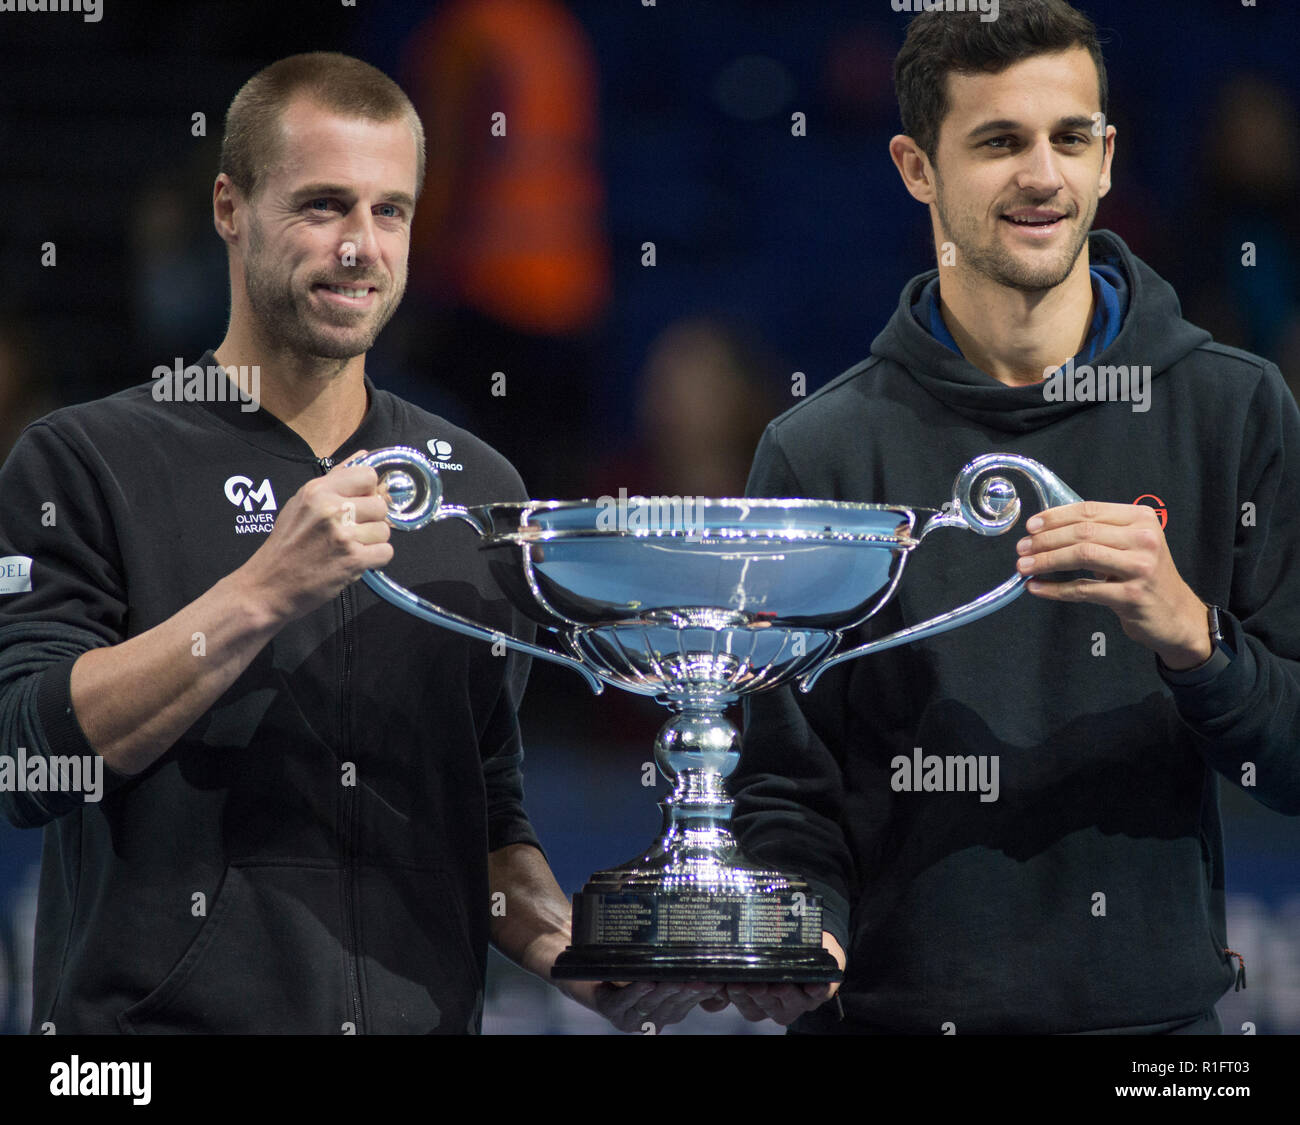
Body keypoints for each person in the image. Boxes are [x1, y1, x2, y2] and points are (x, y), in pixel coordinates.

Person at [0, 52, 710, 1034]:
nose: (361, 247)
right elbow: (29, 761)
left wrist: (569, 953)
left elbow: (486, 817)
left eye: (390, 211)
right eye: (324, 205)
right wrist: (262, 591)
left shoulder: (477, 486)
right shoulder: (84, 459)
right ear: (229, 208)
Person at [724, 0, 1300, 1034]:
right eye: (998, 142)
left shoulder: (1235, 408)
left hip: (1162, 1045)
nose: (1043, 175)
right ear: (915, 168)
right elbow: (781, 785)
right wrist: (799, 929)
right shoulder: (819, 450)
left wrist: (1194, 639)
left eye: (1068, 137)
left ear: (1108, 155)